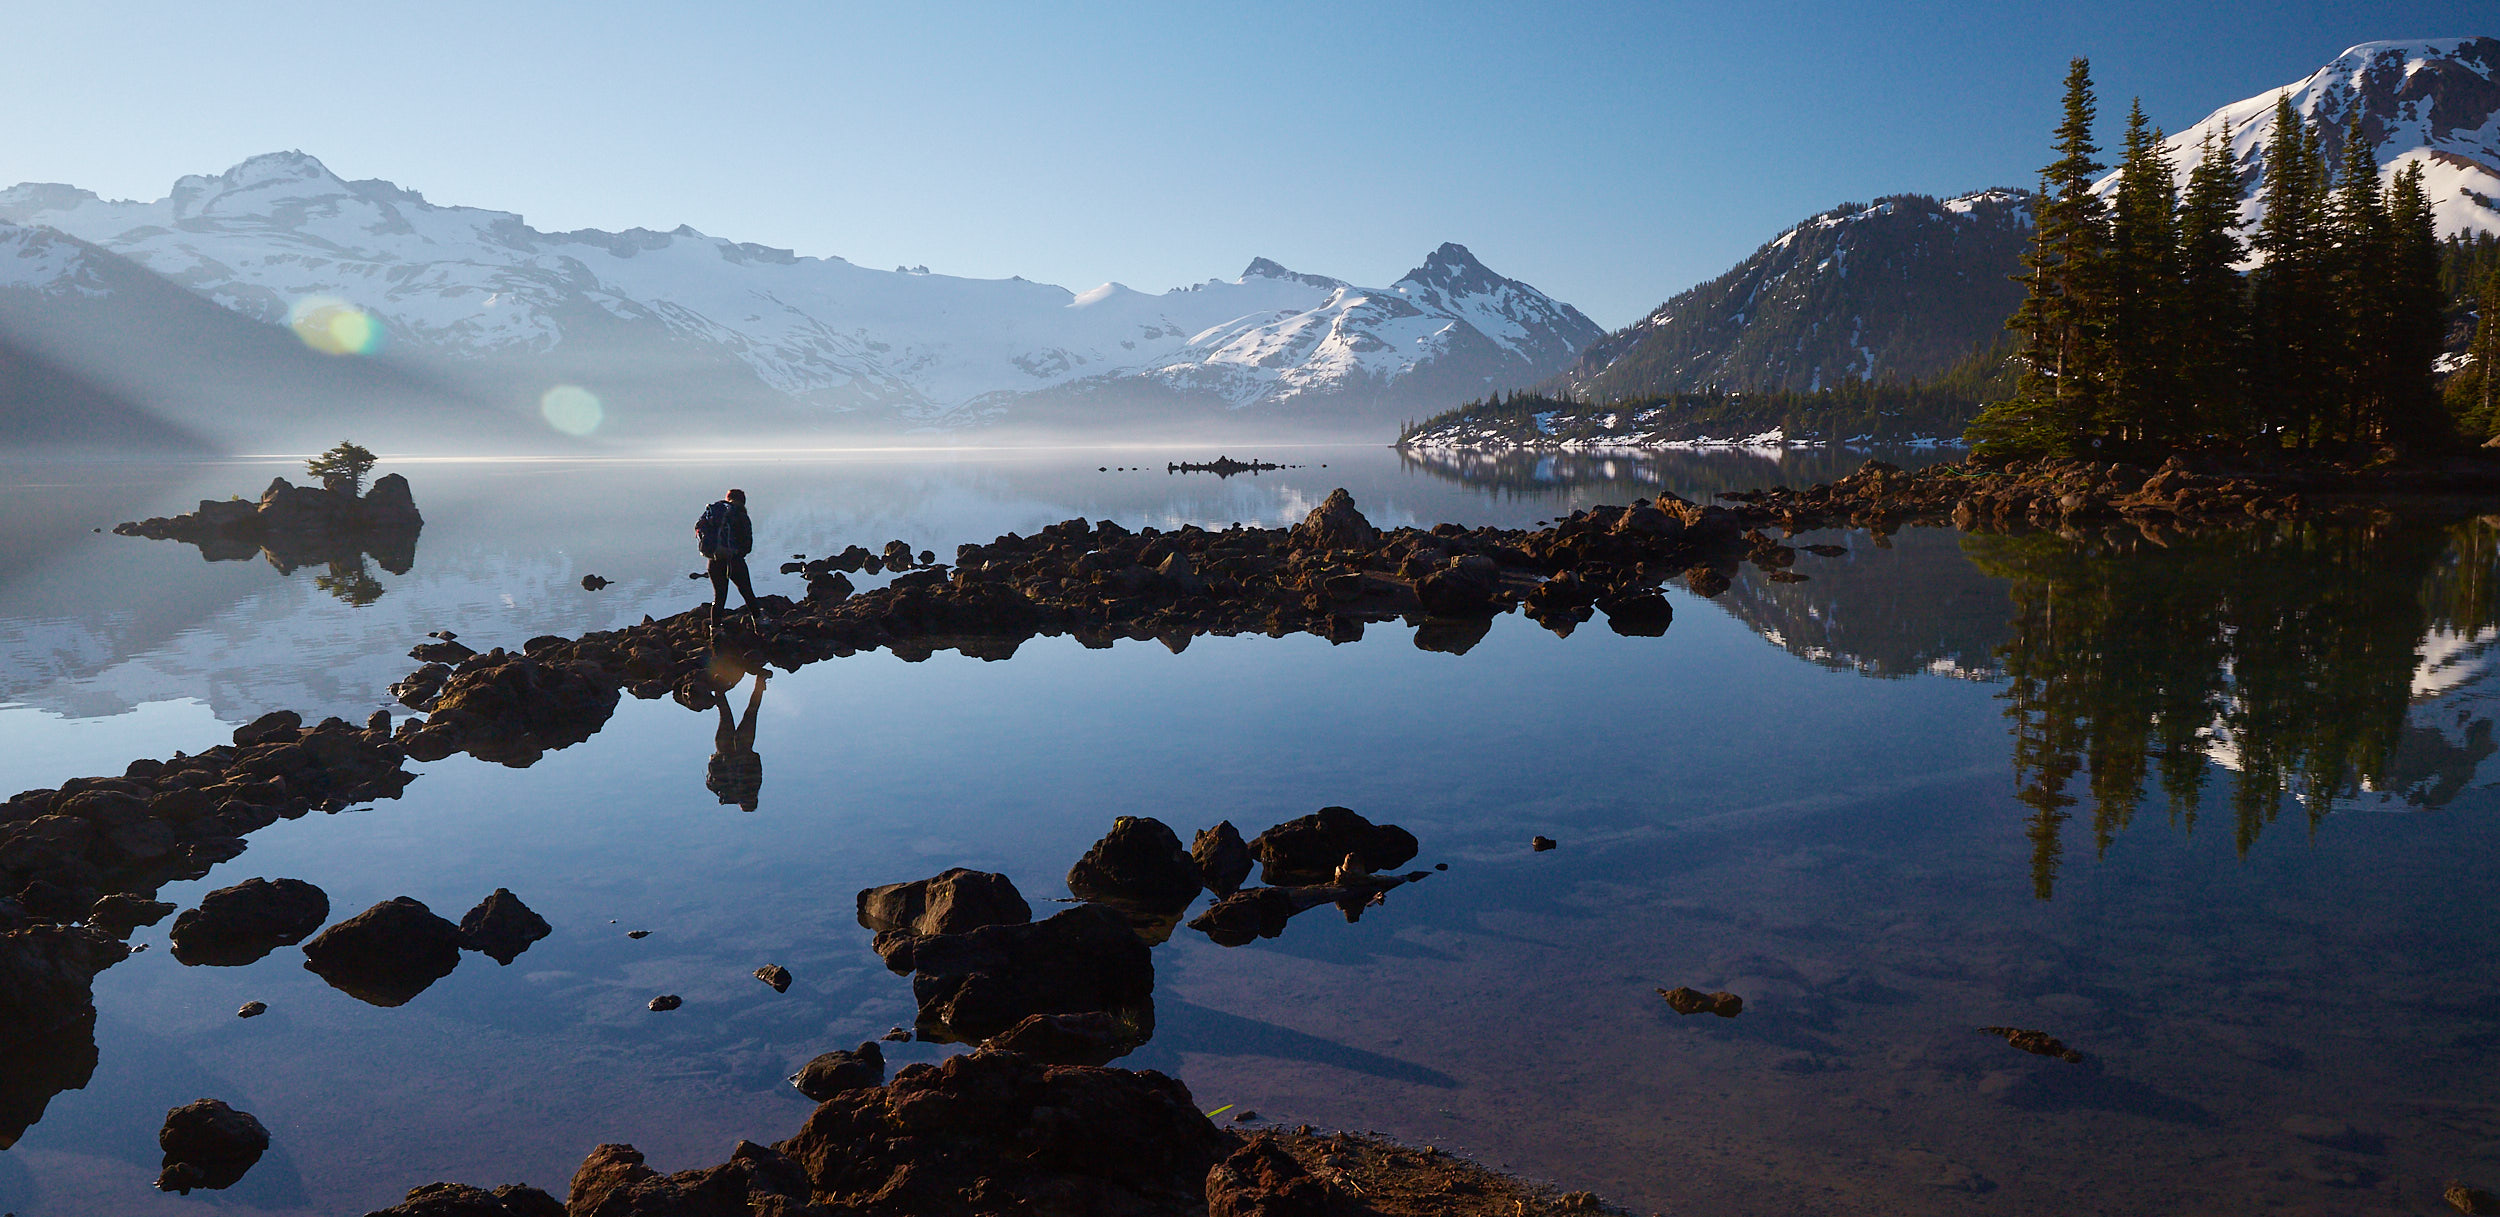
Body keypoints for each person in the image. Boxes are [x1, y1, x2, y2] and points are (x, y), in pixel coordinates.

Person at [698, 487, 760, 622]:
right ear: (743, 501)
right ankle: (759, 623)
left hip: (714, 560)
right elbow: (747, 544)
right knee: (747, 592)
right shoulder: (741, 516)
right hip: (734, 560)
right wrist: (737, 553)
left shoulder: (715, 513)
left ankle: (715, 629)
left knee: (719, 597)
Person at [706, 672, 765, 811]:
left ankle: (760, 679)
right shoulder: (725, 792)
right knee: (724, 713)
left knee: (752, 711)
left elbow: (757, 764)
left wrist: (748, 755)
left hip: (744, 747)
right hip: (724, 750)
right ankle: (716, 680)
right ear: (740, 804)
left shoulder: (753, 787)